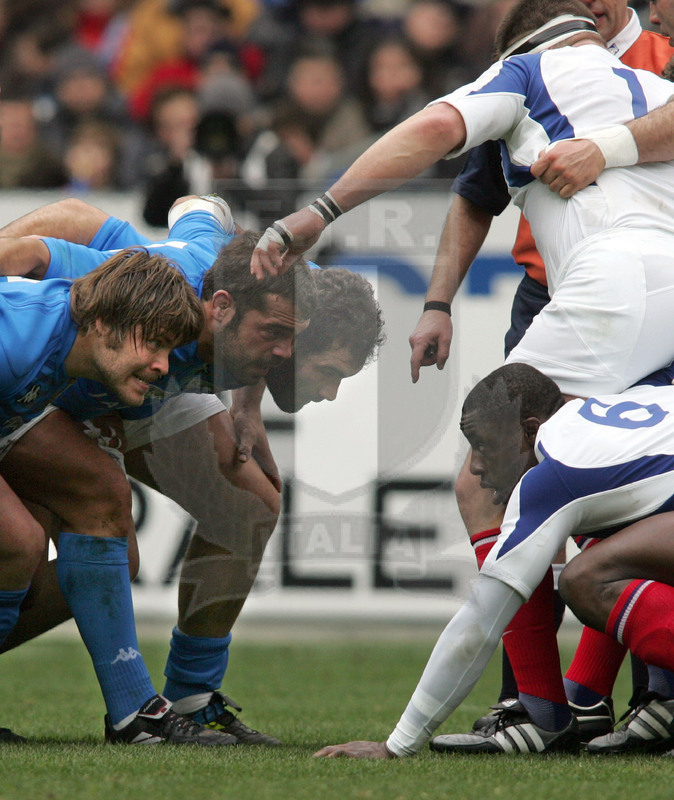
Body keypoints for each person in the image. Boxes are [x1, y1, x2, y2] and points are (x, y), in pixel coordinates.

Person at [249, 0, 674, 749]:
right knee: (633, 495)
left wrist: (319, 211)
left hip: (609, 293)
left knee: (488, 476)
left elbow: (433, 132)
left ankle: (539, 708)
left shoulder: (526, 71)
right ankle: (598, 699)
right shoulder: (654, 84)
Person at [0, 195, 383, 743]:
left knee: (248, 506)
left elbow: (201, 207)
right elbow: (71, 222)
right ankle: (135, 713)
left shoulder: (288, 296)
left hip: (144, 380)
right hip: (73, 383)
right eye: (327, 372)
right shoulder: (163, 288)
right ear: (224, 307)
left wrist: (247, 407)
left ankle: (192, 697)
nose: (329, 391)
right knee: (76, 517)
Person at [313, 362, 674, 758]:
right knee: (613, 543)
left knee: (585, 579)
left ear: (530, 431)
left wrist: (396, 745)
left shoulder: (554, 476)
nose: (476, 467)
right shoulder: (611, 419)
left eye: (484, 444)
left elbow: (480, 621)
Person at [0, 249, 241, 747]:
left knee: (100, 505)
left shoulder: (69, 348)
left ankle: (134, 713)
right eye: (153, 343)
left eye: (170, 348)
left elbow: (205, 210)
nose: (160, 364)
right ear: (104, 321)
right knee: (20, 540)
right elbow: (66, 220)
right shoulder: (16, 336)